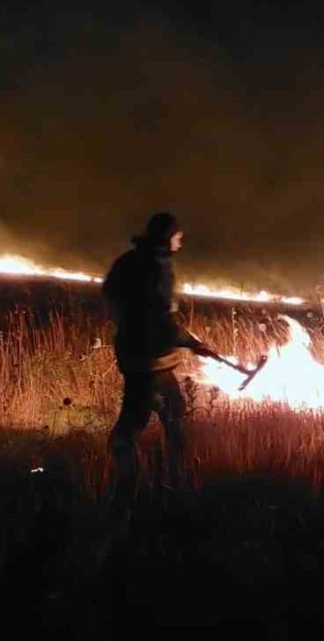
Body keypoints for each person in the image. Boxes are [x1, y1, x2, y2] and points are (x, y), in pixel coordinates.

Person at [101, 212, 221, 508]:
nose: (181, 241)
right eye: (178, 236)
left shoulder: (128, 260)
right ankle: (142, 481)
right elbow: (162, 320)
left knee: (165, 414)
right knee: (154, 419)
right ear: (169, 237)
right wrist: (193, 343)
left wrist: (127, 323)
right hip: (152, 362)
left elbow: (111, 294)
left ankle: (152, 476)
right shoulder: (158, 267)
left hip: (135, 357)